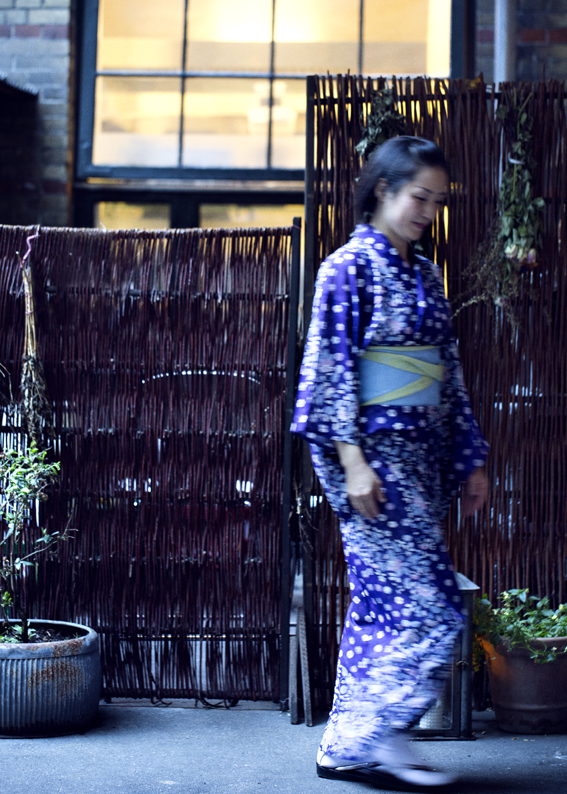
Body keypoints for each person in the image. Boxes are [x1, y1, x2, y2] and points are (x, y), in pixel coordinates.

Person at [291, 136, 489, 791]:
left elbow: (447, 372)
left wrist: (469, 458)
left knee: (379, 608)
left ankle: (348, 746)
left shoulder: (424, 274)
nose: (427, 212)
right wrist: (351, 462)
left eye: (437, 201)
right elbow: (329, 370)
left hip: (421, 459)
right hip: (374, 462)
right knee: (431, 606)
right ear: (383, 190)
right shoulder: (345, 269)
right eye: (418, 197)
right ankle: (381, 738)